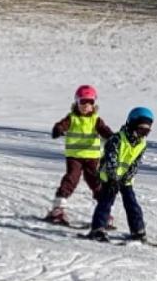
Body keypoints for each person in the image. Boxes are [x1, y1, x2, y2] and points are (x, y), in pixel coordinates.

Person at [46, 84, 114, 224]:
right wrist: (58, 129)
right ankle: (58, 209)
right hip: (75, 156)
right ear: (77, 102)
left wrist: (112, 138)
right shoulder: (72, 118)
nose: (86, 105)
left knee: (96, 182)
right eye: (83, 101)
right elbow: (62, 125)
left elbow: (104, 130)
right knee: (71, 179)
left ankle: (104, 212)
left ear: (94, 104)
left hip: (92, 158)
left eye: (90, 102)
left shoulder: (96, 119)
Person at [87, 106, 153, 242]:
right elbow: (111, 159)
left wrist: (126, 178)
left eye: (146, 132)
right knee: (106, 202)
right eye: (140, 130)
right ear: (132, 124)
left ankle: (138, 230)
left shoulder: (142, 144)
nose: (142, 135)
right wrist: (113, 178)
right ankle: (98, 229)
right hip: (110, 178)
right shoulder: (117, 139)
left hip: (125, 180)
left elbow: (135, 164)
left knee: (132, 203)